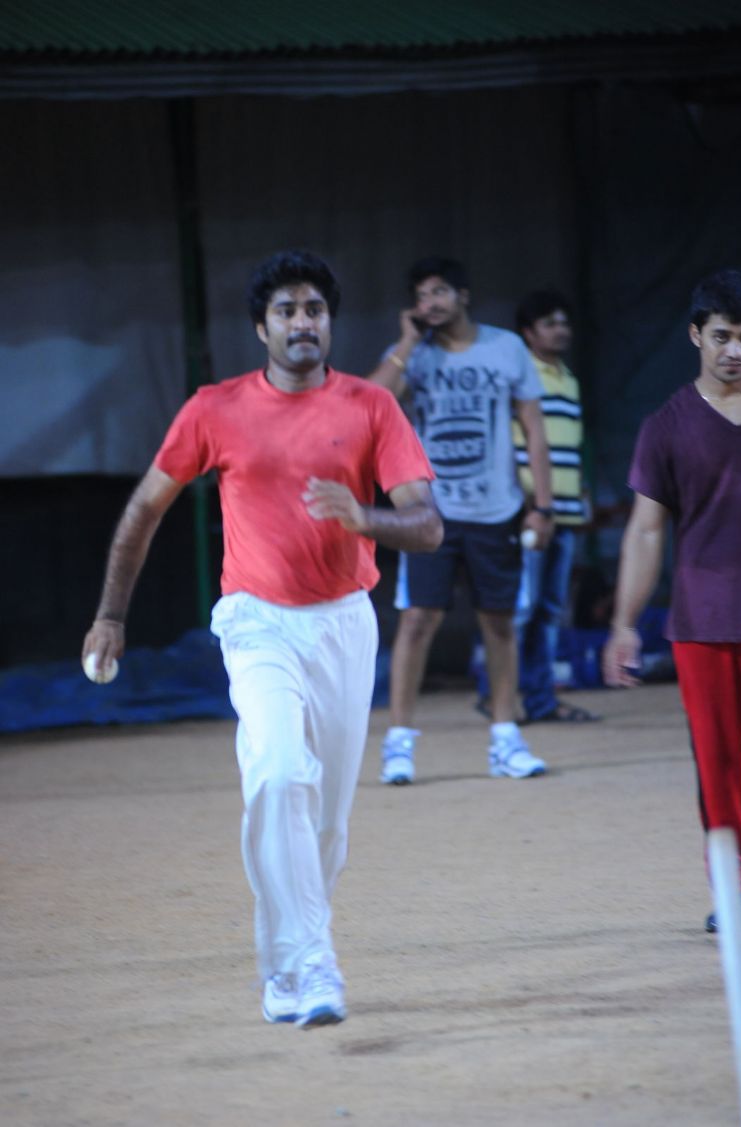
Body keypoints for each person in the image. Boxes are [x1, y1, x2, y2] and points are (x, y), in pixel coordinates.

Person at [82, 250, 442, 1027]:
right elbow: (145, 509)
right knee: (279, 773)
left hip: (345, 622)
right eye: (286, 310)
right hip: (256, 620)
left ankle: (284, 965)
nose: (302, 321)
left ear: (329, 322)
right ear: (261, 328)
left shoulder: (372, 407)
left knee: (327, 826)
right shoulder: (215, 409)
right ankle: (312, 963)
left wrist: (364, 516)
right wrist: (112, 612)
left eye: (314, 309)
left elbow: (427, 524)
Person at [602, 266, 741, 932]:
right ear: (696, 335)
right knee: (719, 764)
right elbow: (644, 531)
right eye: (722, 336)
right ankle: (738, 886)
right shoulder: (666, 426)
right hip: (704, 620)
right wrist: (623, 624)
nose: (735, 350)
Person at [368, 256, 554, 785]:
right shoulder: (412, 354)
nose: (430, 303)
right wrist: (407, 343)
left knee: (499, 623)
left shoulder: (506, 348)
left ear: (463, 295)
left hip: (497, 510)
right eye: (421, 296)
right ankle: (399, 743)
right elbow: (369, 403)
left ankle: (505, 738)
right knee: (417, 621)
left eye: (439, 292)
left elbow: (533, 429)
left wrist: (543, 506)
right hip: (431, 515)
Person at [511, 289, 599, 723]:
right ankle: (502, 698)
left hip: (564, 513)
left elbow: (572, 444)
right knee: (520, 609)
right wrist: (527, 501)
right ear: (528, 333)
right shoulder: (520, 375)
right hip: (530, 512)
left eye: (564, 322)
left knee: (549, 611)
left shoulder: (569, 379)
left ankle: (541, 700)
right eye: (550, 323)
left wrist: (581, 492)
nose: (561, 330)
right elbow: (510, 442)